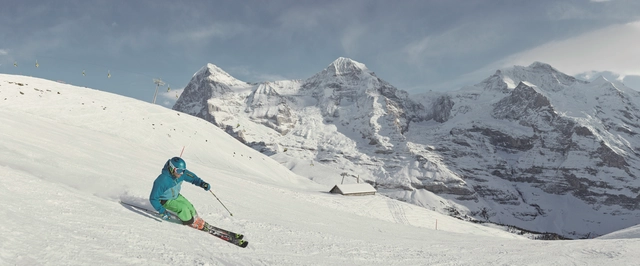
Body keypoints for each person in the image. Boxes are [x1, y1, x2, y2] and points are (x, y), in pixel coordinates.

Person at [149, 157, 211, 230]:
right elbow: (153, 198)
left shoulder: (181, 174)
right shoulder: (162, 180)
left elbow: (193, 178)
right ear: (172, 168)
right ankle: (190, 221)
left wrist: (202, 184)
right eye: (179, 171)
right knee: (183, 208)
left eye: (183, 171)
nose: (181, 173)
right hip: (165, 200)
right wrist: (162, 211)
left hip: (176, 196)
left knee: (189, 206)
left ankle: (196, 219)